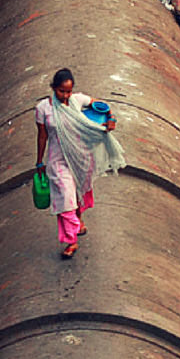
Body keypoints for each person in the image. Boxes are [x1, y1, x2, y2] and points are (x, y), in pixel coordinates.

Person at [35, 68, 126, 258]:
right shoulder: (44, 109)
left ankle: (78, 222)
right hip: (58, 160)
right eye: (62, 91)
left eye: (68, 91)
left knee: (78, 194)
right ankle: (71, 240)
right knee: (66, 200)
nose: (65, 95)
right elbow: (42, 136)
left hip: (80, 156)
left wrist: (112, 118)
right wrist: (39, 161)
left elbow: (102, 106)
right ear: (53, 88)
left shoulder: (77, 100)